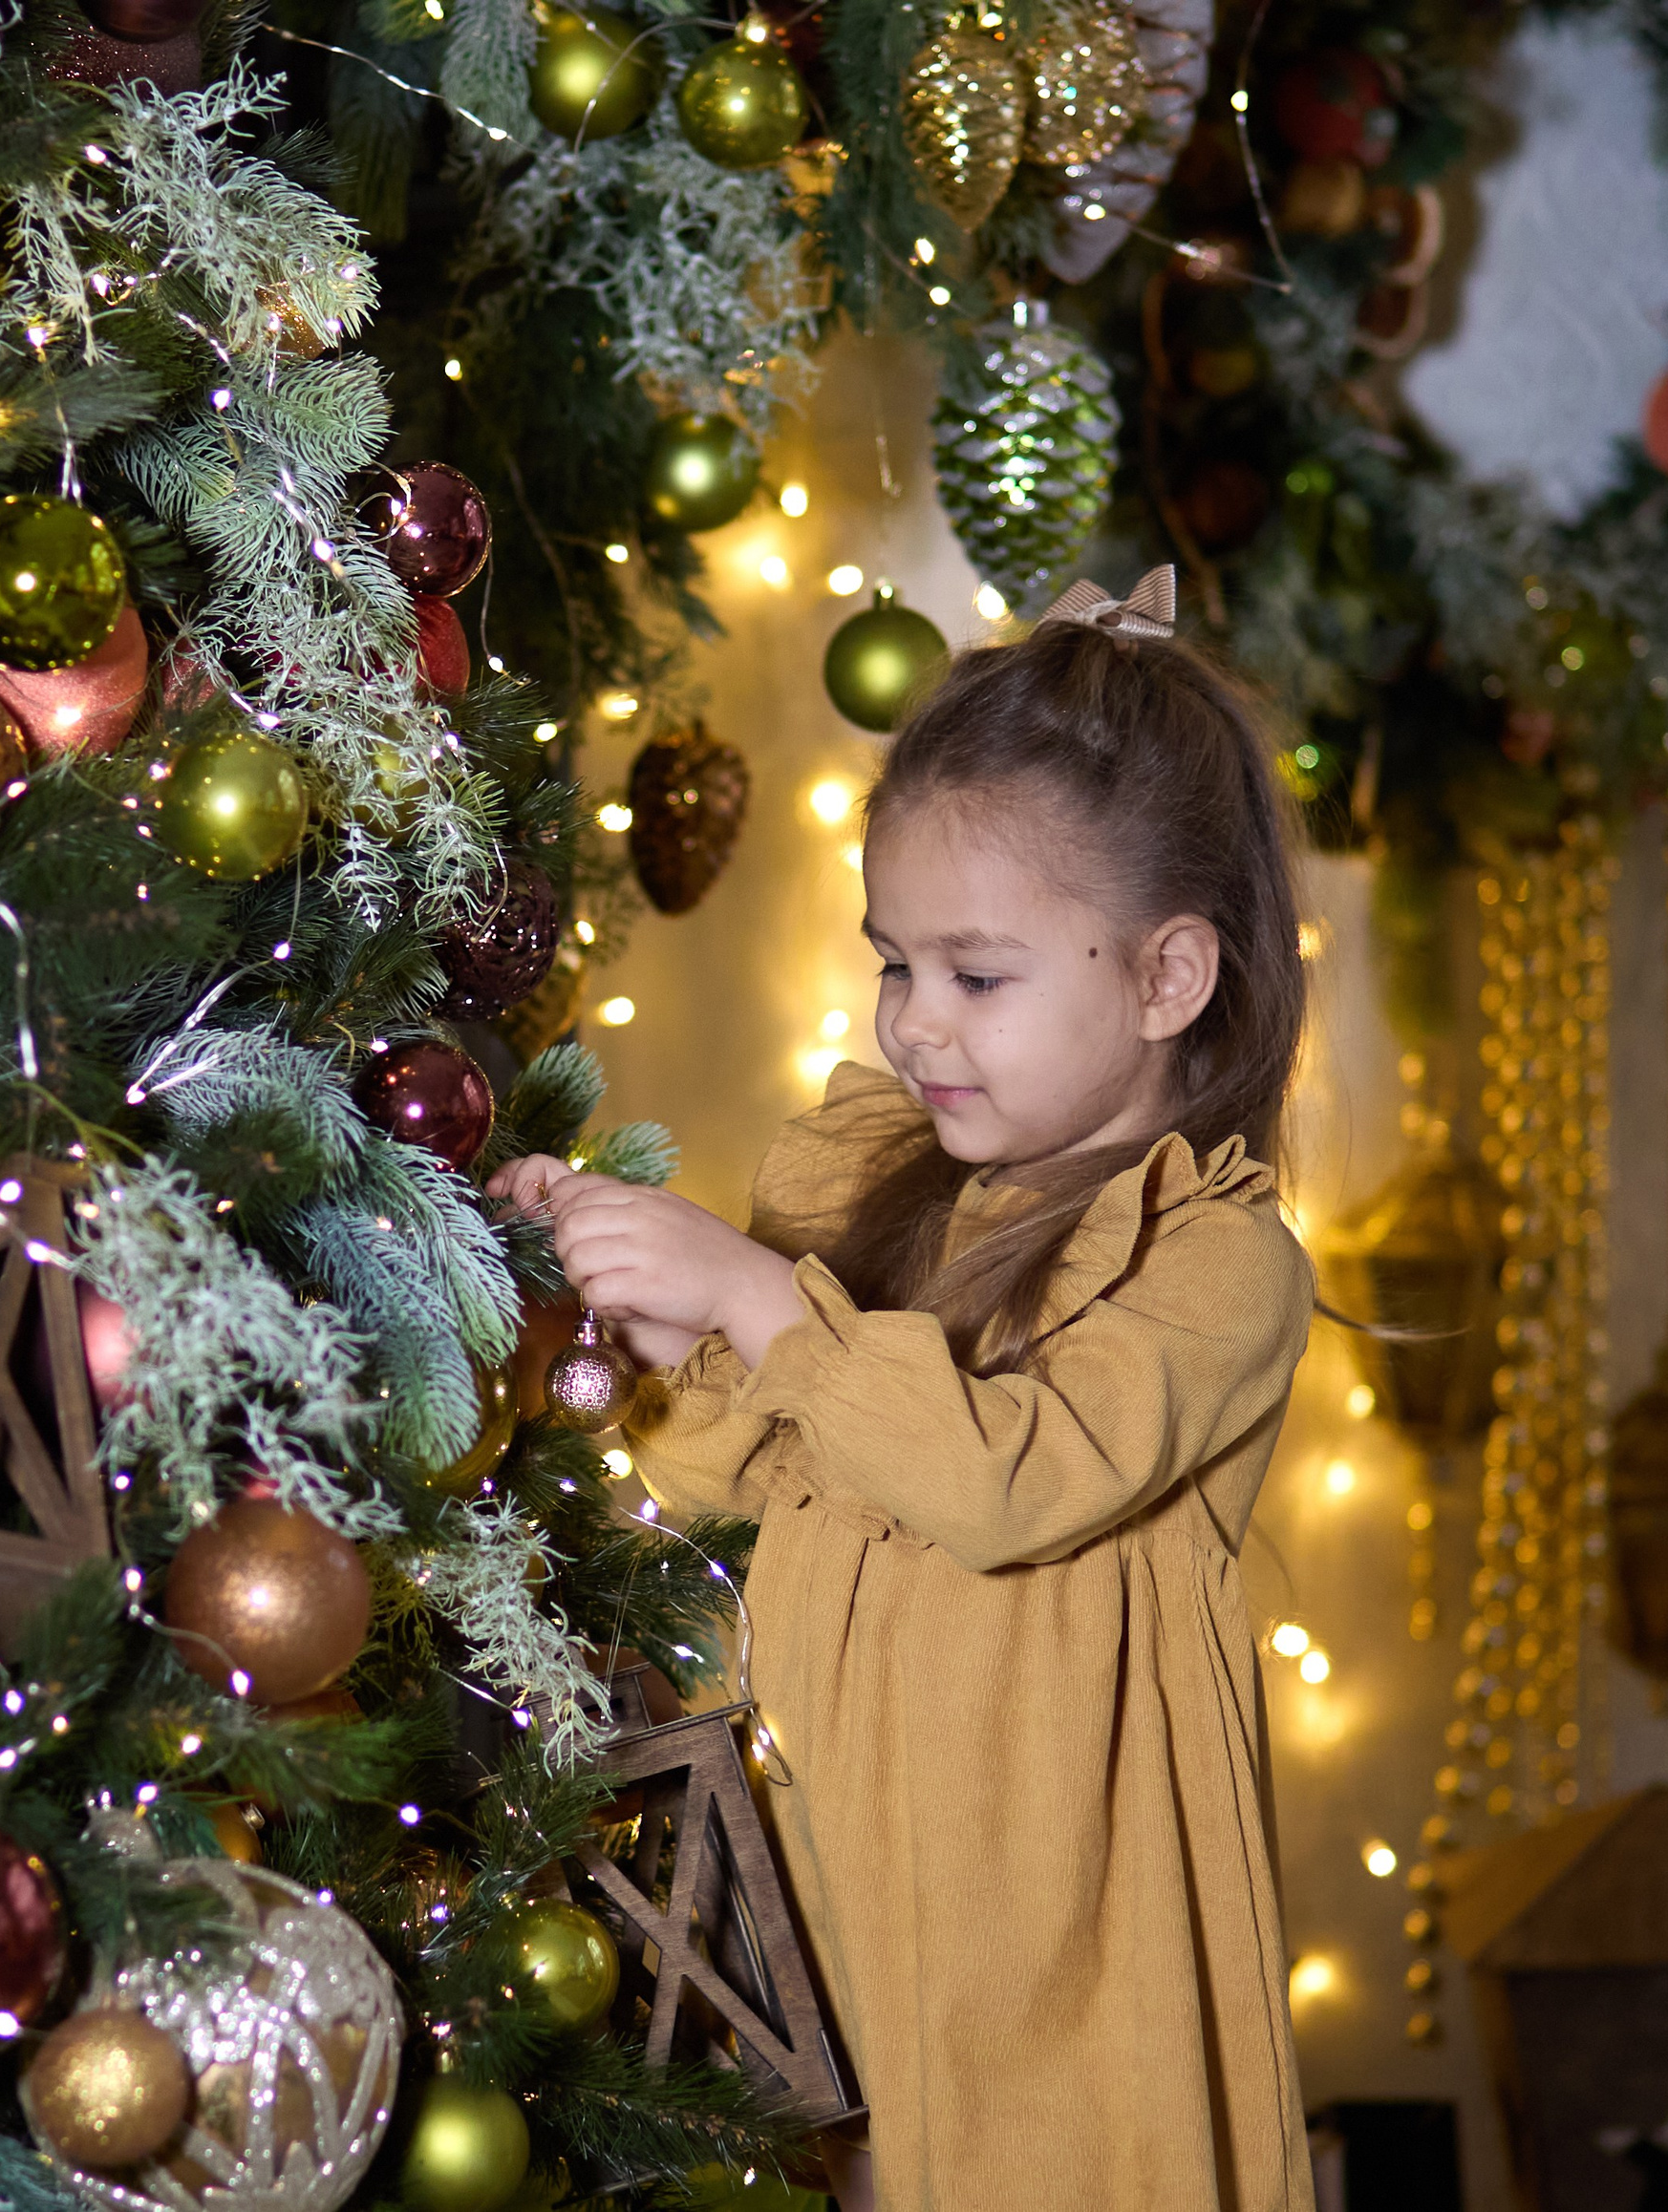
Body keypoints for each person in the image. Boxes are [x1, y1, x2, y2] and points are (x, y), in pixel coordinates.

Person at [487, 568, 1318, 2212]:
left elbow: (1008, 1480)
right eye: (896, 967)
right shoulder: (880, 1184)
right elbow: (736, 1469)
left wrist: (750, 1293)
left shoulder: (1216, 1261)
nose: (920, 1026)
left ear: (1168, 978)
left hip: (1056, 1899)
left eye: (980, 977)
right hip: (824, 1849)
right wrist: (636, 1306)